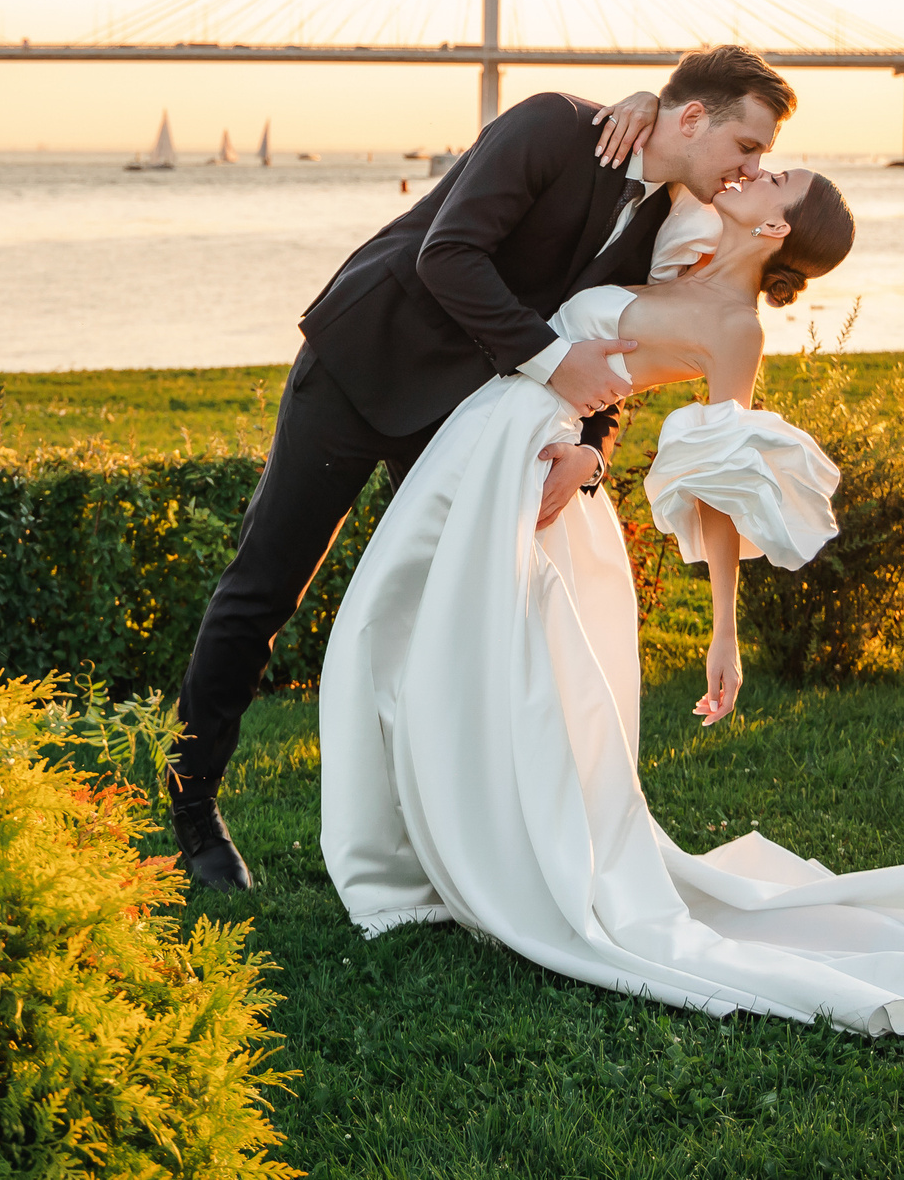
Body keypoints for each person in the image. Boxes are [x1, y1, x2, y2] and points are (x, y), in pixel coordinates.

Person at [319, 166, 904, 1035]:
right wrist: (635, 104)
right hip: (486, 438)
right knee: (383, 631)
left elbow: (719, 482)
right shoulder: (686, 235)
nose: (757, 170)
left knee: (470, 664)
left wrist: (723, 632)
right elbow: (676, 130)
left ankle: (470, 857)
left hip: (532, 467)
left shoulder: (735, 328)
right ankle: (405, 853)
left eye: (776, 178)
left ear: (776, 230)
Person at [167, 44, 796, 890]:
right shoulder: (550, 125)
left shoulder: (671, 222)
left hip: (467, 418)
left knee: (463, 615)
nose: (752, 166)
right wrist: (550, 363)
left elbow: (611, 342)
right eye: (746, 147)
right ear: (691, 119)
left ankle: (438, 828)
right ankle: (193, 808)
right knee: (263, 587)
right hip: (365, 361)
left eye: (761, 159)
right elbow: (448, 254)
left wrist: (591, 455)